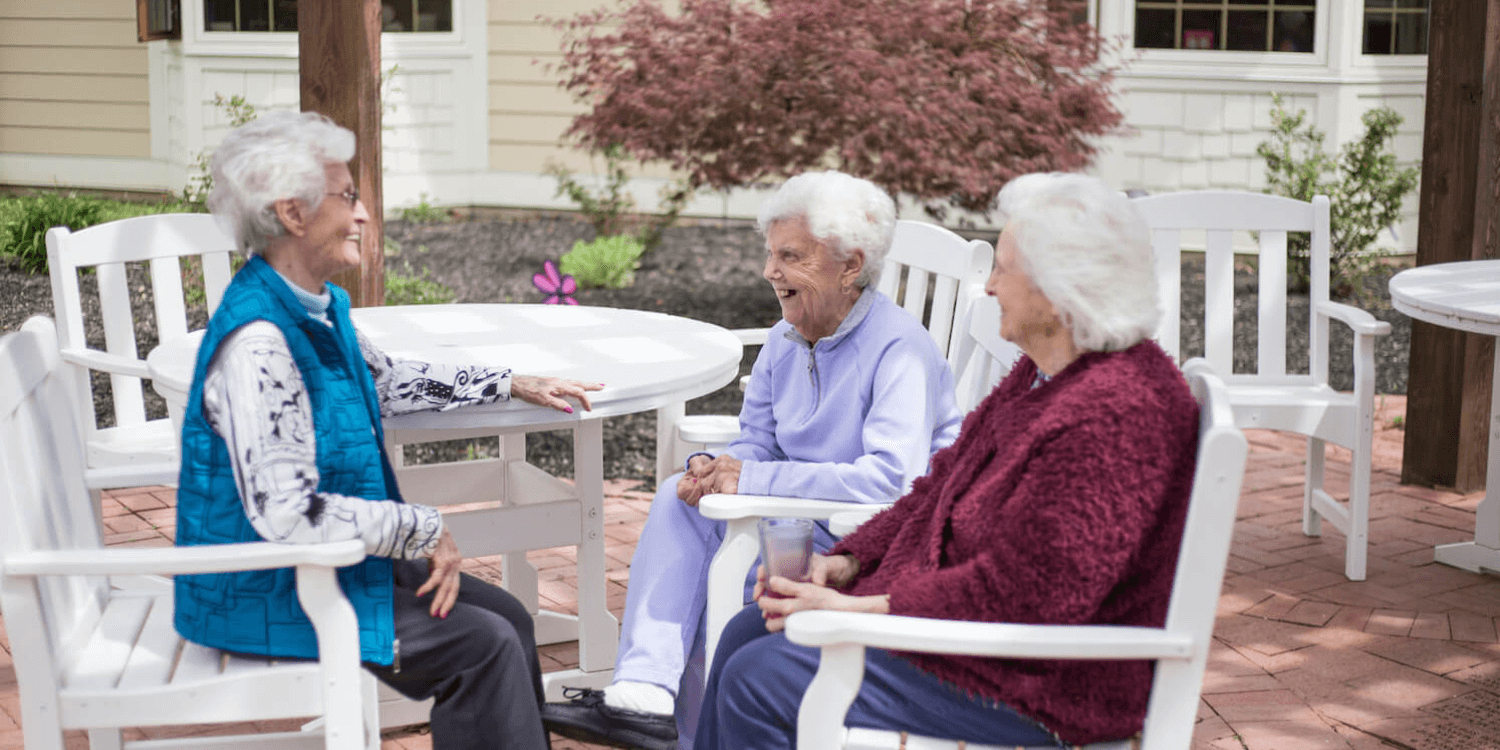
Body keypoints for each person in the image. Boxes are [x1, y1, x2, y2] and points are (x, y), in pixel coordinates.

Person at [693, 172, 1201, 749]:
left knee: (758, 682)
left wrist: (869, 610)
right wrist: (848, 563)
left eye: (1003, 270)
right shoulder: (1046, 374)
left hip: (1038, 683)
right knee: (744, 631)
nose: (988, 287)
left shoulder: (1117, 413)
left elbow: (1031, 595)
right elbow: (935, 489)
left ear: (1061, 294)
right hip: (969, 641)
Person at [172, 110, 601, 750]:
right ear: (292, 212)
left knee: (509, 616)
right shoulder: (260, 343)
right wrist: (417, 527)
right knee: (481, 647)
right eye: (348, 196)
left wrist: (507, 382)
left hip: (327, 565)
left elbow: (389, 379)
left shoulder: (316, 307)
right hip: (266, 588)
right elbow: (287, 515)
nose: (365, 212)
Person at [542, 170, 964, 750]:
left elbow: (890, 480)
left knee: (705, 572)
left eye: (790, 257)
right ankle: (645, 691)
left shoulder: (900, 351)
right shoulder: (784, 340)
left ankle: (674, 720)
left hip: (858, 540)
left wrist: (753, 475)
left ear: (849, 265)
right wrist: (719, 467)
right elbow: (758, 441)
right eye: (771, 254)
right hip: (790, 518)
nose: (771, 272)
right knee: (679, 496)